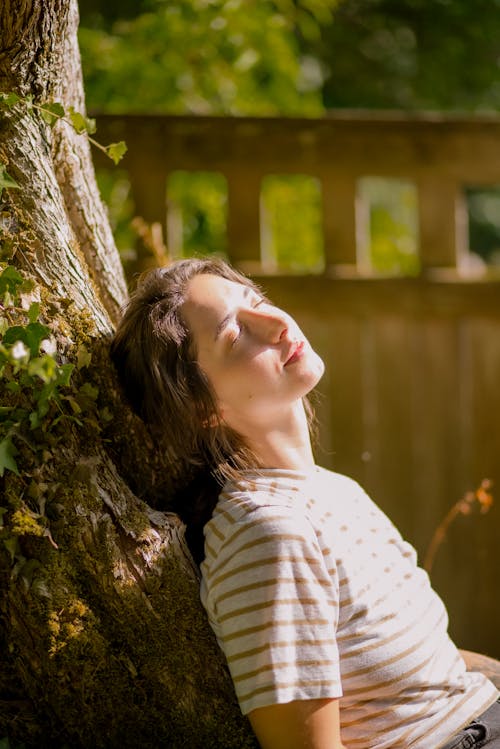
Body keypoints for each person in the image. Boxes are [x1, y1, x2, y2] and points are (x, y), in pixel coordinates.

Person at [110, 257, 499, 749]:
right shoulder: (267, 536)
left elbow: (434, 669)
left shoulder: (332, 489)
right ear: (205, 409)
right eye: (236, 334)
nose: (277, 324)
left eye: (259, 303)